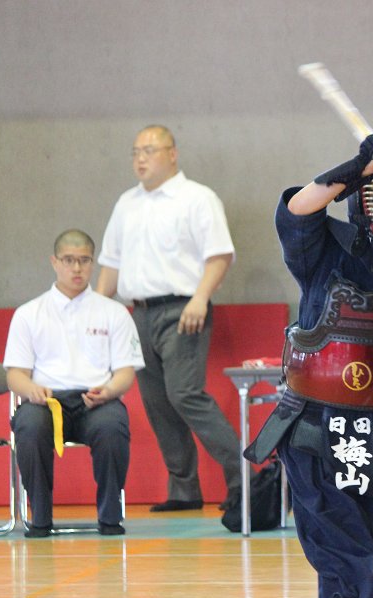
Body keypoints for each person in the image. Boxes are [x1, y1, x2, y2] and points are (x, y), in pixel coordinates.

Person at [245, 134, 373, 598]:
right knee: (348, 563)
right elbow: (296, 210)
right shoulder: (321, 252)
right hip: (314, 431)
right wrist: (357, 167)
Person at [96, 125, 242, 513]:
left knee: (184, 394)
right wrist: (93, 311)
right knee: (157, 402)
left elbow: (219, 255)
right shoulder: (126, 203)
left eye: (149, 150)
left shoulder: (197, 198)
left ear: (172, 154)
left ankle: (244, 479)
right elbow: (111, 264)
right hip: (138, 314)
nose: (140, 159)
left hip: (183, 309)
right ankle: (183, 489)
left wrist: (201, 298)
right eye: (135, 152)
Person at [5, 229, 144, 538]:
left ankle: (110, 517)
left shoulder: (114, 312)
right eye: (69, 260)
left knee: (112, 427)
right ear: (54, 262)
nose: (77, 268)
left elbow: (125, 372)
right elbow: (15, 374)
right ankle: (40, 517)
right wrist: (31, 390)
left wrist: (109, 390)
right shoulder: (29, 313)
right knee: (29, 426)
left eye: (84, 260)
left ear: (93, 263)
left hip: (96, 400)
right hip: (46, 401)